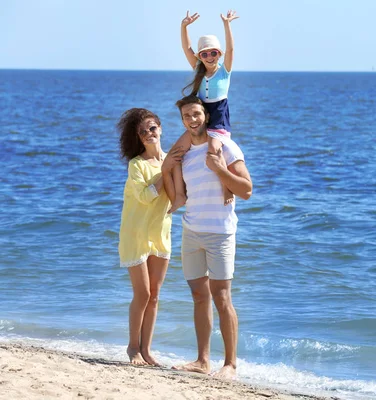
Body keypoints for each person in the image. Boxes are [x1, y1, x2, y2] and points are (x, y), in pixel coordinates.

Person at [162, 95, 252, 379]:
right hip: (191, 231)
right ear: (182, 120)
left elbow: (246, 189)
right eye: (187, 115)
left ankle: (230, 364)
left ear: (206, 116)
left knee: (222, 297)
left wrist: (219, 169)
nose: (192, 119)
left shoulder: (226, 147)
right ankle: (202, 360)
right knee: (199, 296)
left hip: (220, 234)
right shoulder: (183, 153)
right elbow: (179, 192)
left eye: (197, 114)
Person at [117, 108, 183, 366]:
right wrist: (164, 172)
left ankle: (146, 350)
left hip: (160, 233)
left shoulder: (171, 159)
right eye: (143, 131)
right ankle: (132, 347)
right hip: (135, 234)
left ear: (161, 129)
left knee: (154, 295)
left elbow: (180, 192)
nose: (148, 134)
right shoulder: (136, 165)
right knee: (142, 293)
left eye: (152, 128)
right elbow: (145, 197)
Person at [167, 9, 240, 213]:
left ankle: (228, 189)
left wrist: (227, 24)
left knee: (214, 151)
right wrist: (183, 27)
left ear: (219, 54)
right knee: (175, 153)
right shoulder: (198, 69)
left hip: (217, 119)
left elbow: (231, 49)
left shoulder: (224, 72)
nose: (209, 57)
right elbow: (186, 48)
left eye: (213, 53)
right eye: (205, 53)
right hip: (199, 119)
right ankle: (180, 195)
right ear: (200, 56)